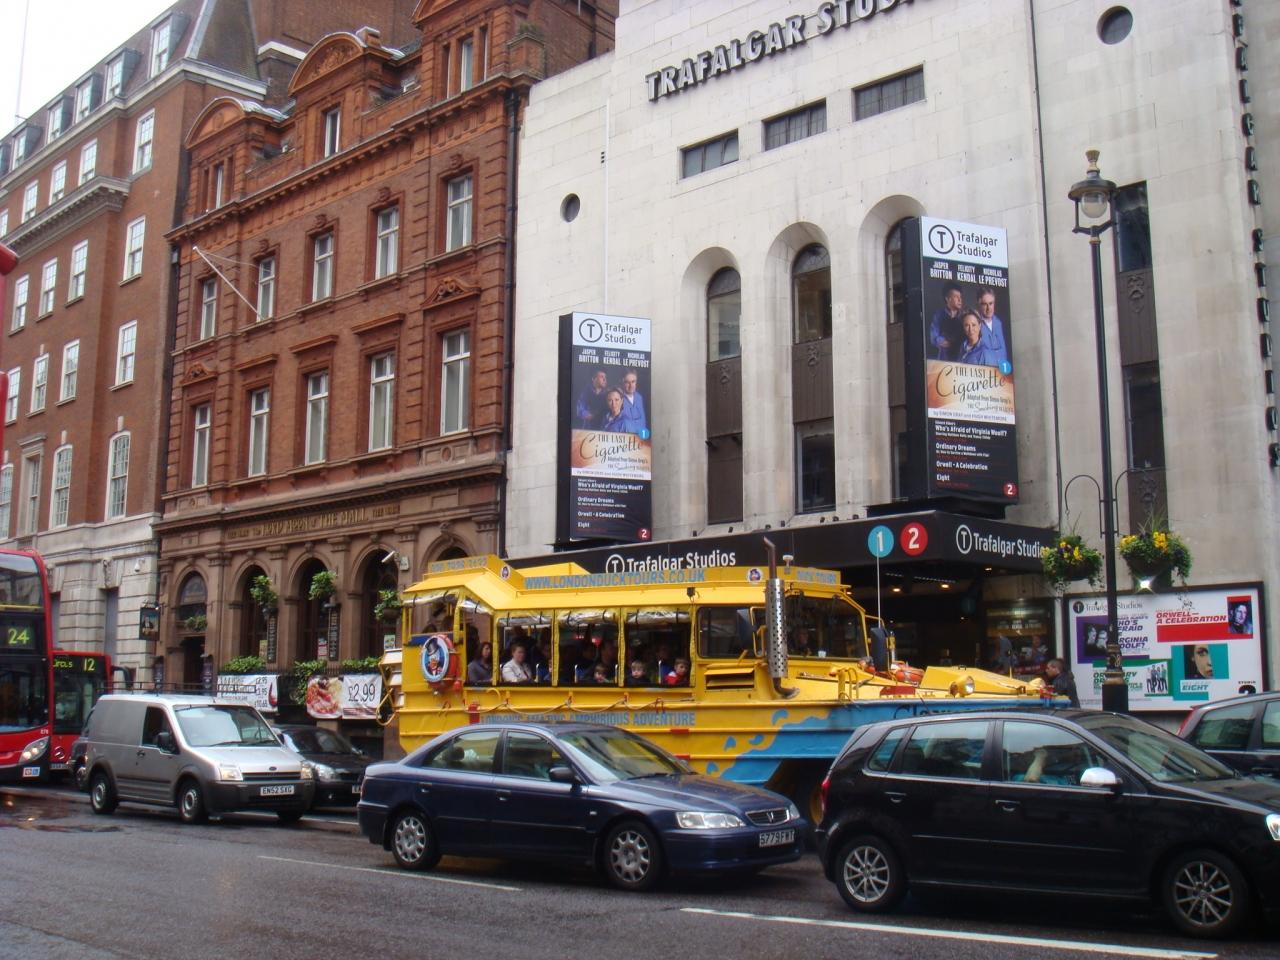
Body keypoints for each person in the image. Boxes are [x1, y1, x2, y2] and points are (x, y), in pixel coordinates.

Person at [928, 282, 964, 360]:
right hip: (943, 361)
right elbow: (934, 338)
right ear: (947, 299)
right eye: (956, 297)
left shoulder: (964, 317)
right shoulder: (938, 315)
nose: (960, 300)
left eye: (960, 297)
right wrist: (949, 341)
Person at [975, 286, 1008, 365]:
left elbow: (1003, 352)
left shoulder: (998, 323)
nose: (988, 308)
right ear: (979, 304)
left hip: (1001, 370)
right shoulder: (974, 324)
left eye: (991, 303)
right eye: (985, 304)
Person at [619, 369, 648, 434]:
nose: (631, 385)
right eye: (627, 382)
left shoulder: (639, 397)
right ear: (622, 382)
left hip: (640, 437)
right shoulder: (617, 399)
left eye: (633, 381)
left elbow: (643, 422)